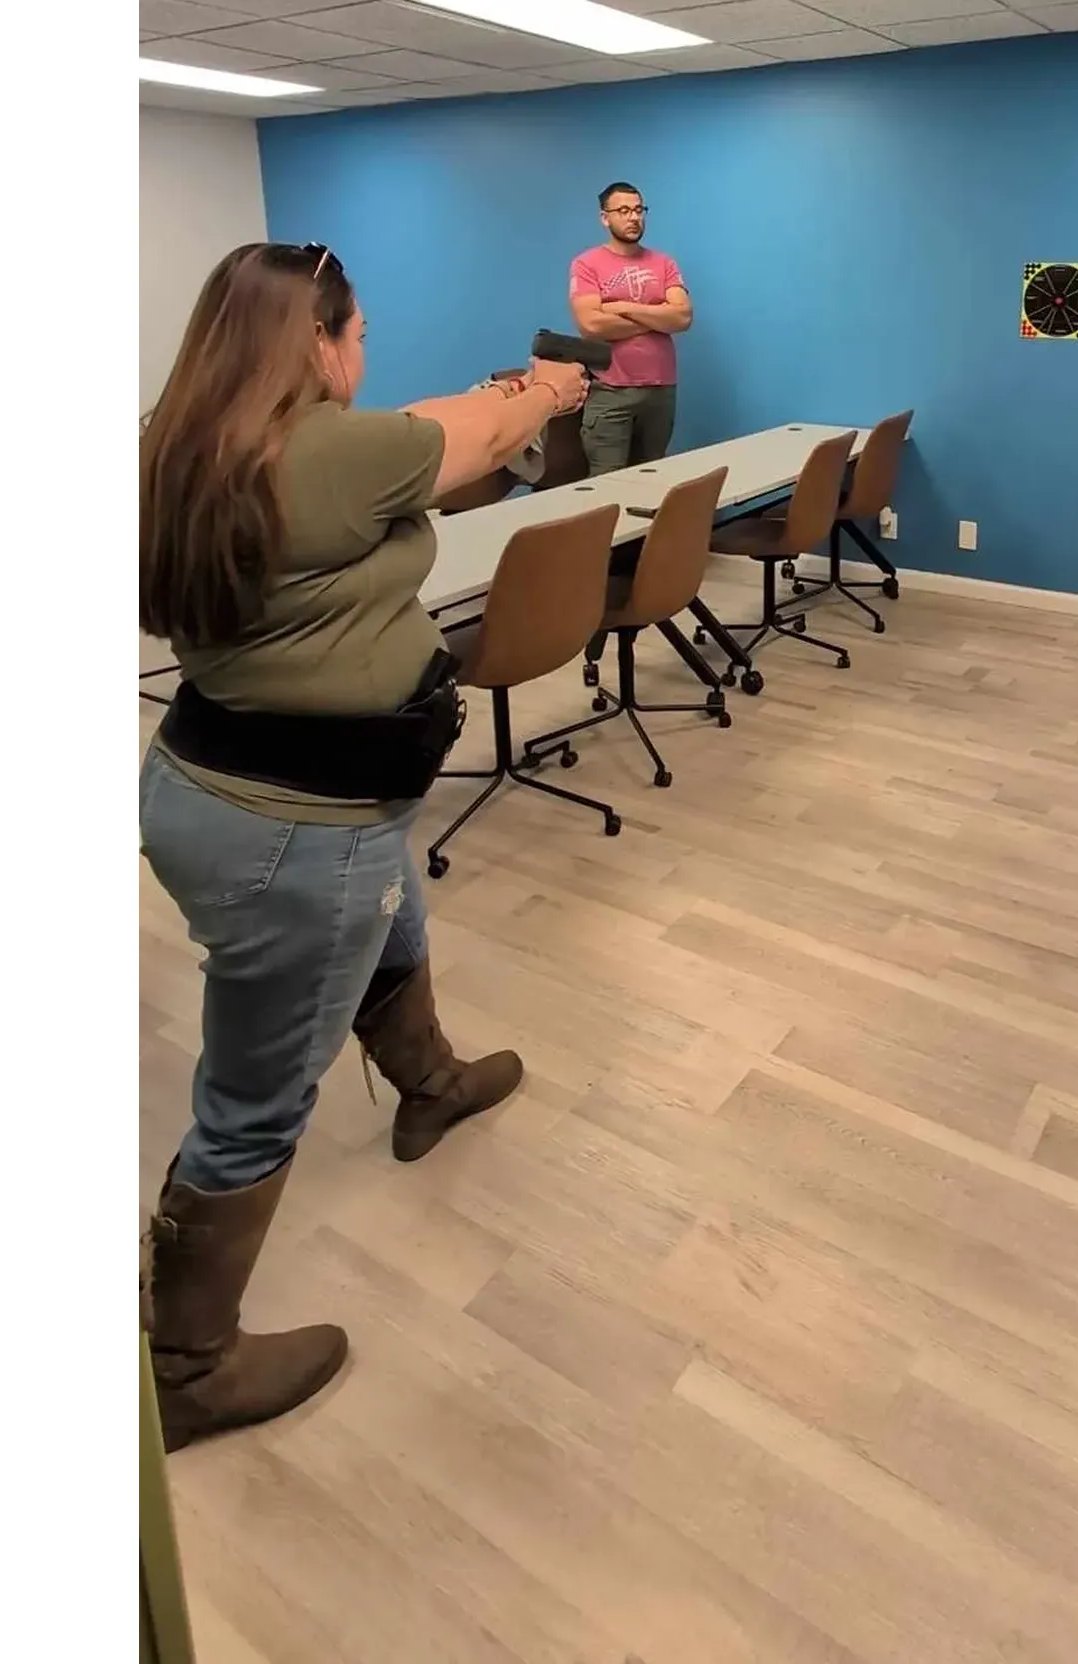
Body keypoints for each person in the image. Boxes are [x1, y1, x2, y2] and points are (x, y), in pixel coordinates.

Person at [137, 241, 589, 1452]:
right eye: (361, 332)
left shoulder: (171, 440)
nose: (366, 352)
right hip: (297, 826)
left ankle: (428, 1082)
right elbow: (461, 441)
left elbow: (418, 443)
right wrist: (546, 390)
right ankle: (183, 1366)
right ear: (319, 341)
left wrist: (494, 406)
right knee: (255, 1095)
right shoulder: (331, 451)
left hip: (214, 779)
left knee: (395, 917)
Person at [569, 182, 692, 475]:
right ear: (604, 217)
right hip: (611, 390)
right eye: (623, 210)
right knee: (606, 484)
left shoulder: (664, 263)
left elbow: (683, 318)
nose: (634, 217)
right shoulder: (586, 264)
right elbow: (591, 325)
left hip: (661, 390)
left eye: (639, 209)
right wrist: (657, 317)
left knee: (652, 478)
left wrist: (622, 307)